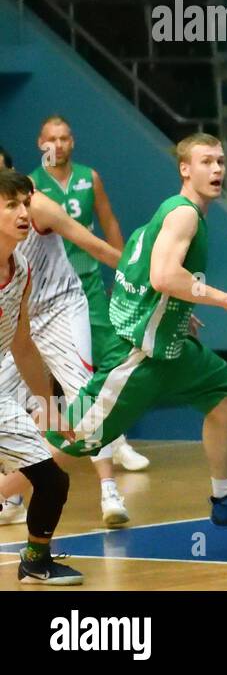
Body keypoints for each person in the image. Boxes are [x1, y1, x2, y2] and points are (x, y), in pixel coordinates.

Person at [45, 134, 227, 527]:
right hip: (139, 354)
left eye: (221, 162)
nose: (217, 170)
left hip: (171, 346)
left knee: (226, 394)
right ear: (185, 169)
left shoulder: (172, 213)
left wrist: (176, 311)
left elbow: (135, 270)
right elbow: (162, 276)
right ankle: (8, 490)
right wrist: (226, 299)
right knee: (71, 439)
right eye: (206, 162)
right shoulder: (184, 214)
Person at [0, 148, 128, 526]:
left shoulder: (39, 211)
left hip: (58, 309)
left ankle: (109, 490)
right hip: (19, 318)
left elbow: (95, 245)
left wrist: (152, 283)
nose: (21, 211)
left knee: (82, 399)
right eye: (12, 205)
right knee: (18, 409)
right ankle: (13, 498)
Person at [30, 116, 149, 472]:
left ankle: (118, 440)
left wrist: (127, 275)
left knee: (111, 360)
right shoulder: (32, 188)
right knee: (51, 376)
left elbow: (109, 222)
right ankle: (37, 458)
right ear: (40, 143)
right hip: (46, 295)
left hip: (89, 284)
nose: (59, 145)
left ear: (73, 142)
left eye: (65, 138)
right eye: (52, 139)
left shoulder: (88, 177)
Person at [0, 168, 83, 585]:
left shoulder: (23, 268)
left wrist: (49, 407)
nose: (22, 213)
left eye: (25, 204)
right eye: (10, 204)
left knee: (52, 480)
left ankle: (35, 559)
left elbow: (22, 344)